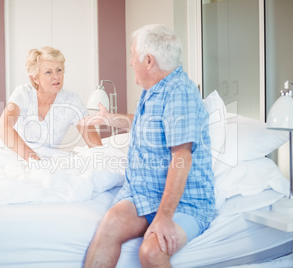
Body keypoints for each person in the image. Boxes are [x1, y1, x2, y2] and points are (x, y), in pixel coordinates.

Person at [82, 25, 216, 268]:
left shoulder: (180, 92)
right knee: (110, 224)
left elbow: (181, 157)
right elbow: (147, 122)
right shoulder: (154, 88)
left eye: (133, 55)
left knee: (151, 253)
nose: (131, 62)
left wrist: (164, 218)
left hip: (184, 202)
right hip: (146, 194)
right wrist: (111, 119)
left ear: (149, 61)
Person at [0, 47, 102, 162]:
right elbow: (3, 128)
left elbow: (95, 145)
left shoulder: (71, 101)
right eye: (48, 72)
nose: (56, 76)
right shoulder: (23, 93)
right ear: (35, 78)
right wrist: (34, 159)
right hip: (13, 151)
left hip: (45, 157)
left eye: (59, 70)